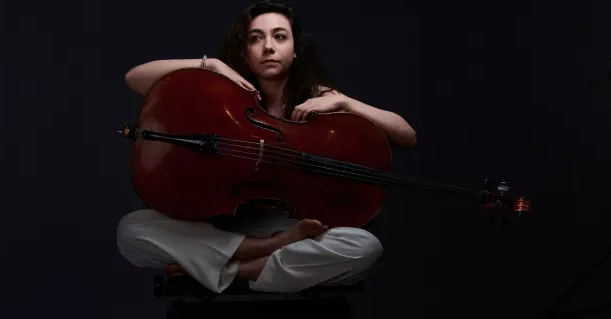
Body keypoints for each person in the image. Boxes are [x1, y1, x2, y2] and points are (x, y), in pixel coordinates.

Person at [116, 0, 417, 294]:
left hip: (294, 223)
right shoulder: (223, 93)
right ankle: (269, 248)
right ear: (245, 51)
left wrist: (344, 101)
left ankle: (233, 269)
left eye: (280, 37)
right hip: (227, 224)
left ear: (296, 50)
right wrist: (213, 65)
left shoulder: (317, 97)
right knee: (131, 231)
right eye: (255, 39)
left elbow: (406, 135)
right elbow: (135, 78)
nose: (268, 47)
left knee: (365, 247)